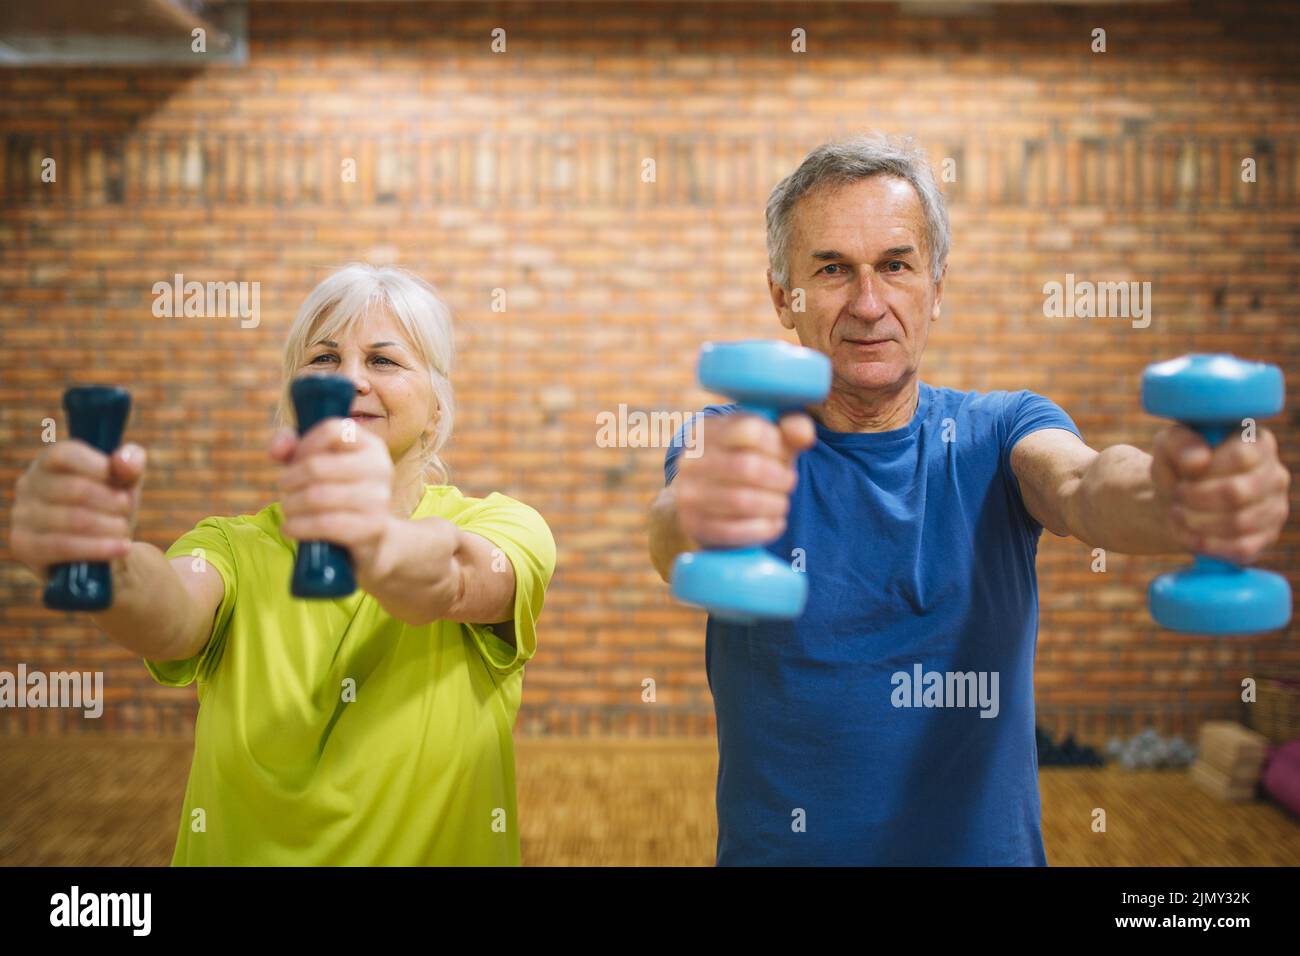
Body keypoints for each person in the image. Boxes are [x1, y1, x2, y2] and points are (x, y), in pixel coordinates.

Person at [647, 133, 1291, 865]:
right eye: (832, 270)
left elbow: (1083, 484)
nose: (868, 303)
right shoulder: (735, 440)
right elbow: (675, 531)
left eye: (896, 266)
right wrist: (697, 511)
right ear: (781, 296)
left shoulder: (1000, 430)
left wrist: (1177, 494)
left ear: (938, 287)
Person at [10, 263, 556, 865]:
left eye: (384, 361)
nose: (349, 381)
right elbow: (168, 608)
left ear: (435, 409)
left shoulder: (506, 526)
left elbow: (451, 577)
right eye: (323, 359)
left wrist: (370, 539)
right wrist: (102, 560)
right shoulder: (231, 546)